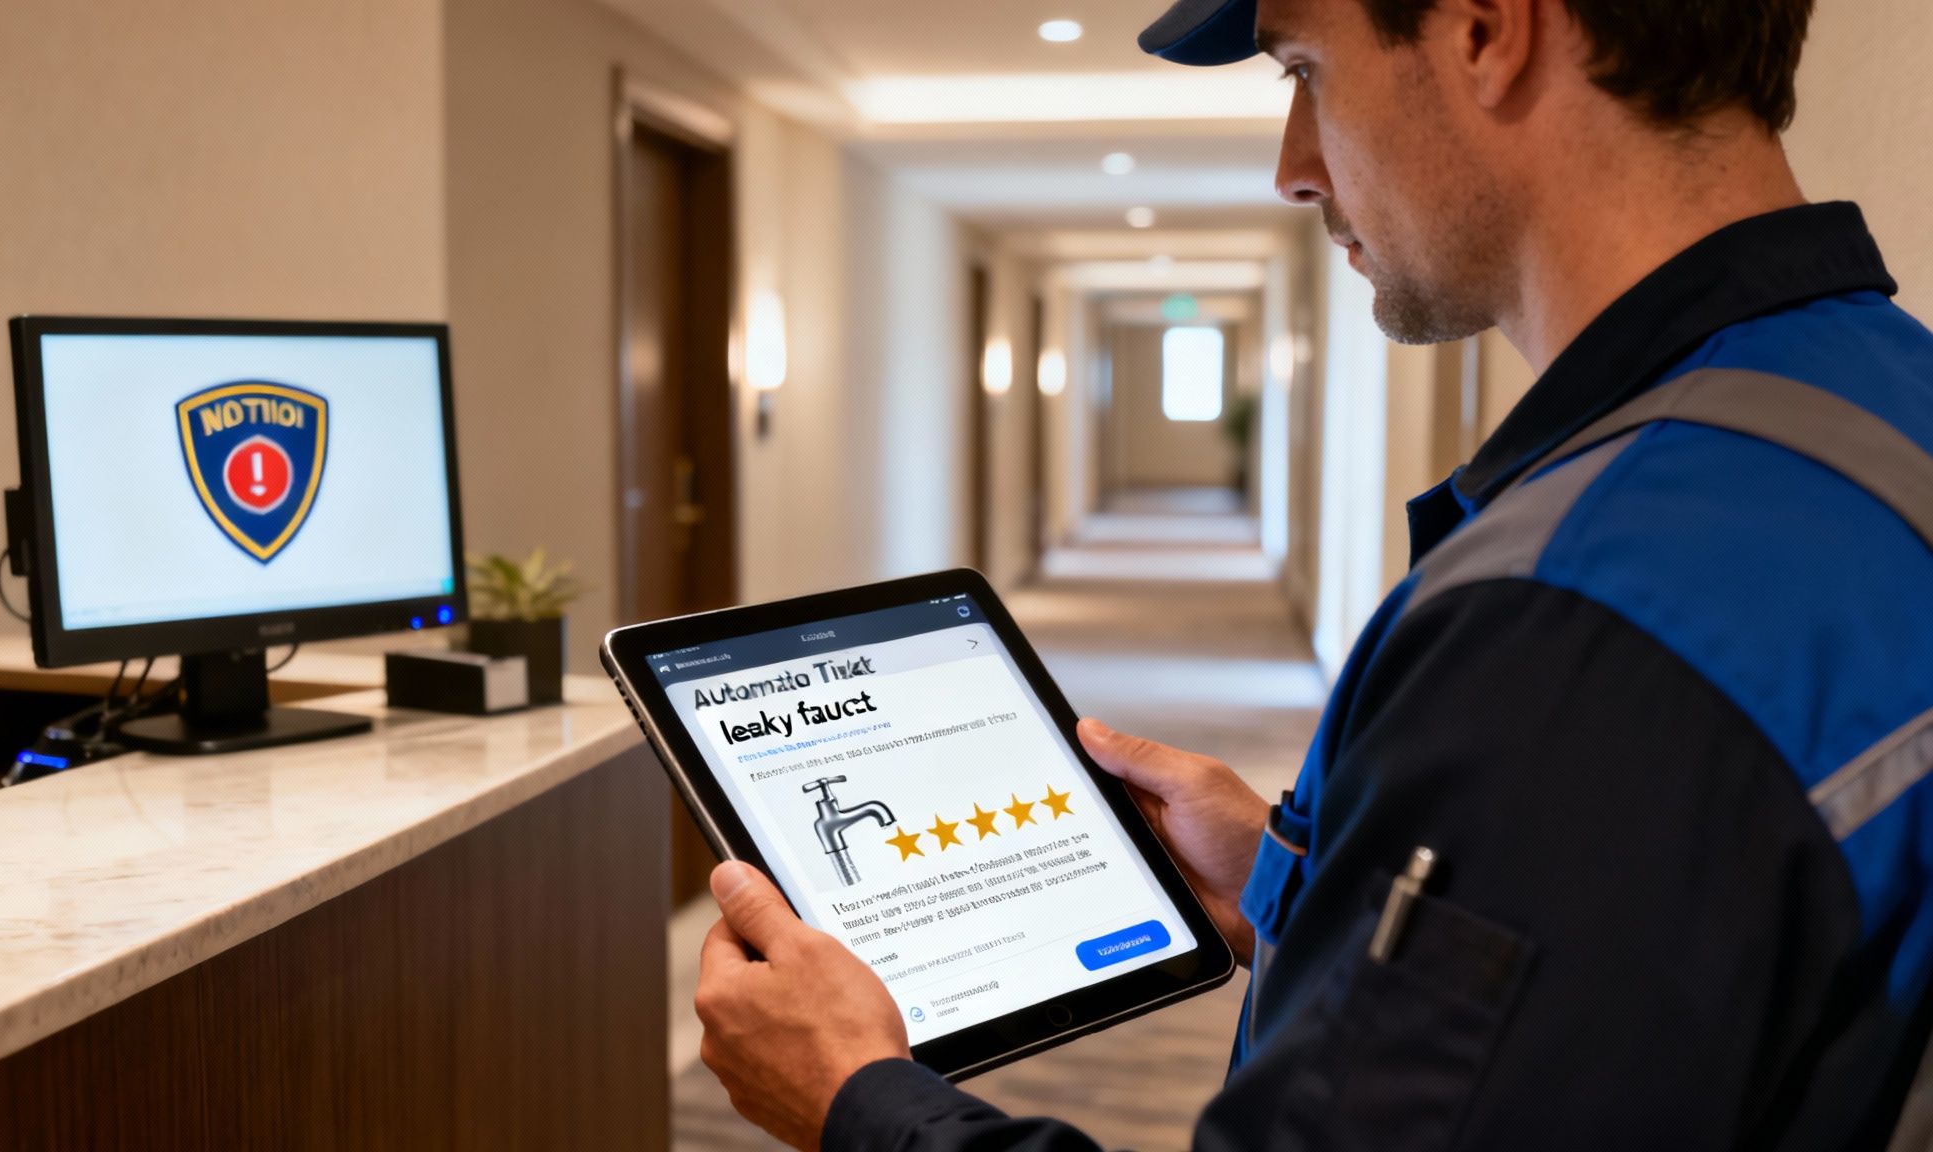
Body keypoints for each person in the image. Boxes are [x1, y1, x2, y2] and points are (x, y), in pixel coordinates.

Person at [691, 0, 1933, 1147]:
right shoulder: (1880, 403)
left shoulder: (1576, 625)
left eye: (1302, 69)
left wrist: (857, 1099)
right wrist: (1304, 880)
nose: (1291, 161)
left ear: (1487, 31)